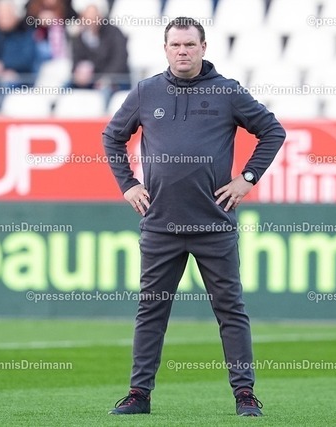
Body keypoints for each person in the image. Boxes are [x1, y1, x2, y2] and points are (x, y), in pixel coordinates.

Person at [102, 17, 285, 417]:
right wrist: (128, 184)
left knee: (230, 310)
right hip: (160, 223)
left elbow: (273, 131)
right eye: (175, 45)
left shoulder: (228, 92)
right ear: (165, 49)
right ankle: (138, 394)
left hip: (213, 224)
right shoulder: (146, 91)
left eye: (189, 44)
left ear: (203, 47)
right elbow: (112, 136)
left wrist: (247, 179)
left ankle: (245, 395)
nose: (182, 51)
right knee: (151, 311)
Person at [71, 1, 129, 93]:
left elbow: (120, 60)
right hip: (90, 81)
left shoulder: (114, 33)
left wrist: (106, 78)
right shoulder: (79, 37)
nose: (90, 21)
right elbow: (76, 60)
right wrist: (79, 74)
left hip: (115, 81)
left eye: (93, 17)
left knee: (104, 90)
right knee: (67, 85)